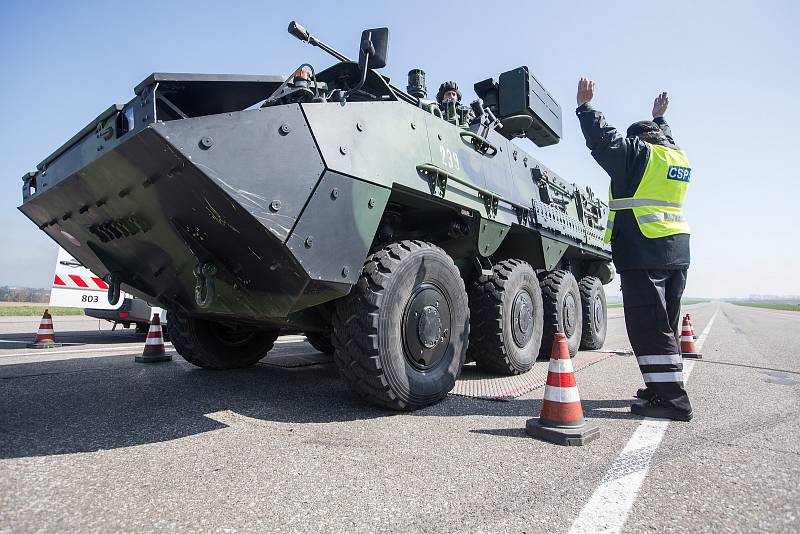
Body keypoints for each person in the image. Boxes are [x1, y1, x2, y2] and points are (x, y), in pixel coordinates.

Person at [575, 77, 693, 421]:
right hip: (677, 249)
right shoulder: (677, 157)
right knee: (666, 324)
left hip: (644, 248)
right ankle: (661, 389)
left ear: (638, 139)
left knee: (649, 326)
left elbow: (605, 140)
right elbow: (666, 138)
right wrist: (660, 119)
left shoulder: (639, 155)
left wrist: (586, 108)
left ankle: (673, 400)